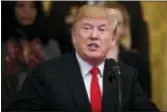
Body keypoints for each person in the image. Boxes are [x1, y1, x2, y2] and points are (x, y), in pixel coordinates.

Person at [6, 4, 159, 111]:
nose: (94, 35)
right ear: (74, 36)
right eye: (87, 28)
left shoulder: (125, 76)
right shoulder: (46, 73)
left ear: (112, 39)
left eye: (102, 29)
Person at [2, 1, 61, 109]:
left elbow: (58, 85)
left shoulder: (50, 45)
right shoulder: (3, 45)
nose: (27, 11)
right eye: (21, 6)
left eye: (32, 6)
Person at [105, 2, 152, 99]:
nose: (112, 28)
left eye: (118, 23)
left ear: (124, 29)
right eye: (108, 22)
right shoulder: (83, 60)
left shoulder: (137, 63)